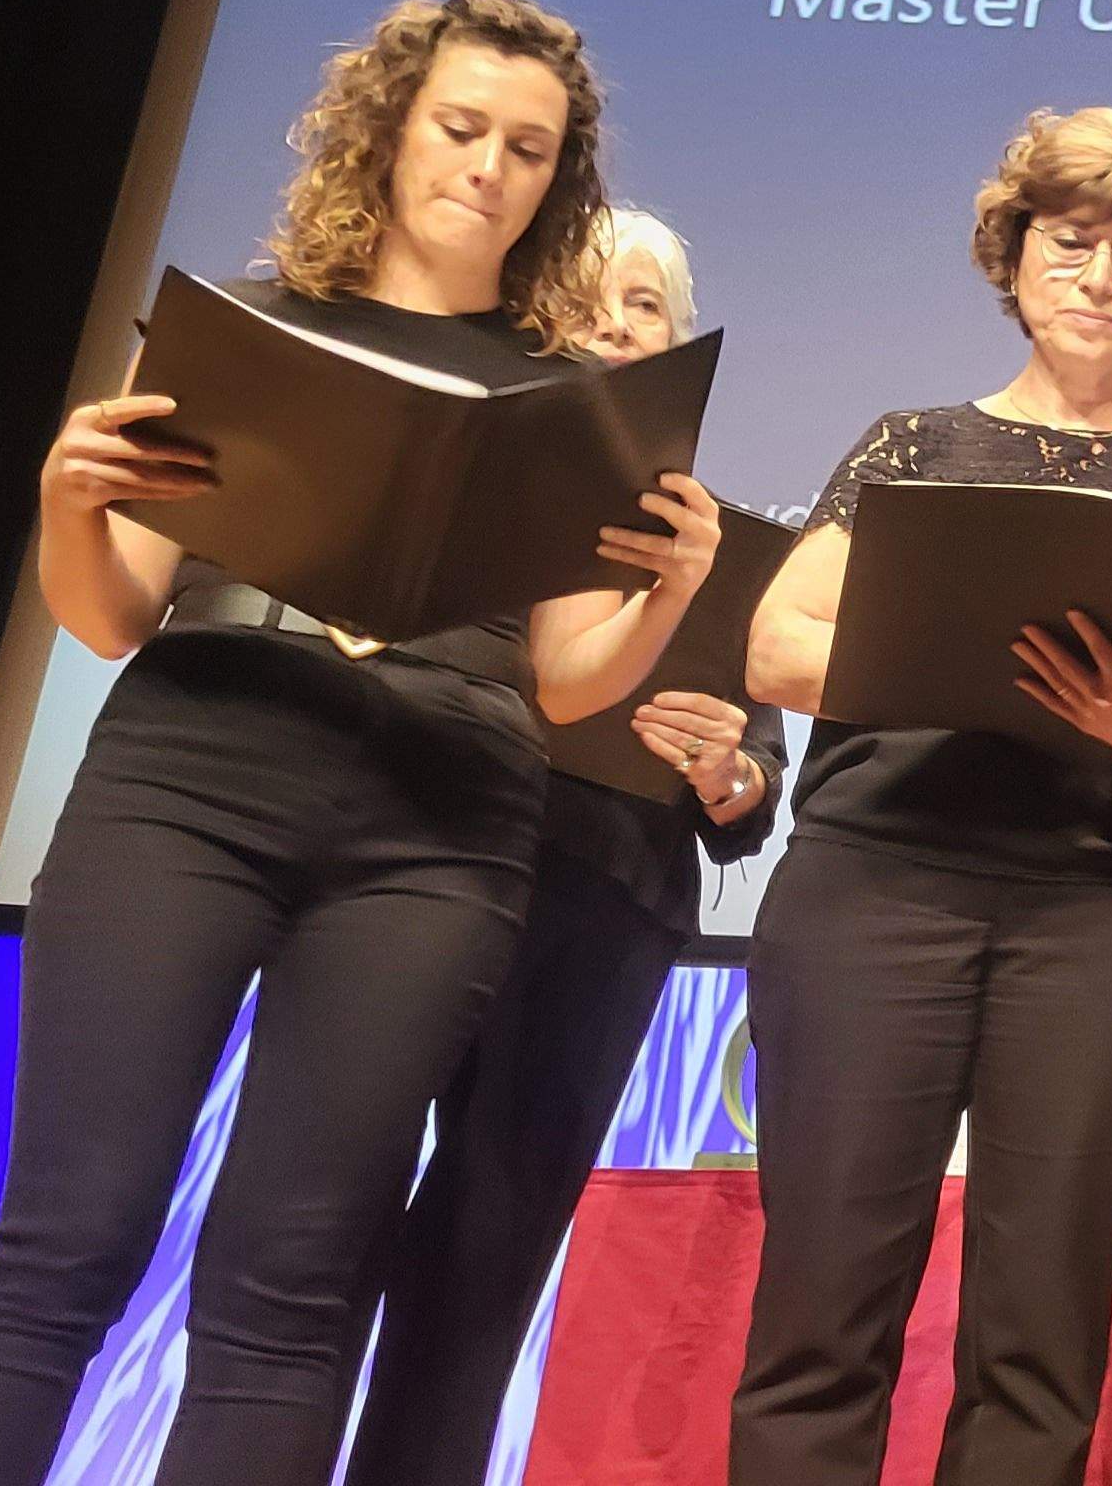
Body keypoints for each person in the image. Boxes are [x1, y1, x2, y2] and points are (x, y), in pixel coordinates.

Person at [0, 0, 720, 1486]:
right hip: (194, 777)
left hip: (441, 819)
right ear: (394, 128)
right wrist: (68, 500)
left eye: (529, 148)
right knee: (62, 1249)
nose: (489, 167)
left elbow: (563, 685)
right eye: (463, 128)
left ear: (560, 179)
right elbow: (108, 617)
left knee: (287, 1291)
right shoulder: (250, 327)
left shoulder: (566, 399)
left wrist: (666, 593)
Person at [735, 107, 1112, 1485]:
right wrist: (957, 648)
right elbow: (777, 647)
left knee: (1041, 1338)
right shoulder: (911, 445)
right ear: (1016, 250)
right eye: (1073, 240)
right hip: (877, 885)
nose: (1099, 275)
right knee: (824, 1309)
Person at [339, 207, 786, 1486]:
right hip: (404, 861)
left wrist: (730, 768)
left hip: (603, 902)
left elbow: (756, 777)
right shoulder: (448, 481)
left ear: (680, 342)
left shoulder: (715, 543)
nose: (614, 320)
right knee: (326, 1207)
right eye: (589, 295)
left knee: (490, 1241)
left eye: (645, 303)